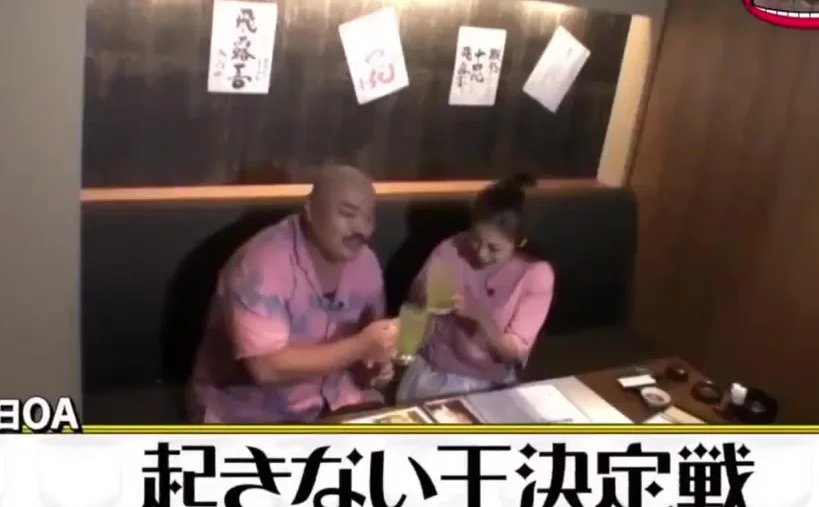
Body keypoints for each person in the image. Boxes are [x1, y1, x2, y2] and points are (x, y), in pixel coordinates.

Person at [188, 164, 399, 423]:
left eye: (368, 218)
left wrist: (375, 366)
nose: (361, 229)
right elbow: (266, 369)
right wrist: (360, 346)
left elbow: (367, 346)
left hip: (338, 399)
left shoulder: (366, 263)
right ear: (310, 208)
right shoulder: (260, 264)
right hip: (252, 411)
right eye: (347, 213)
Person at [395, 174, 556, 403]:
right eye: (475, 239)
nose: (481, 253)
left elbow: (515, 352)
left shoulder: (535, 275)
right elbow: (412, 308)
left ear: (519, 242)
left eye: (494, 248)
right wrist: (422, 295)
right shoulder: (451, 248)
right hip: (431, 370)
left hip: (487, 382)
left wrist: (479, 315)